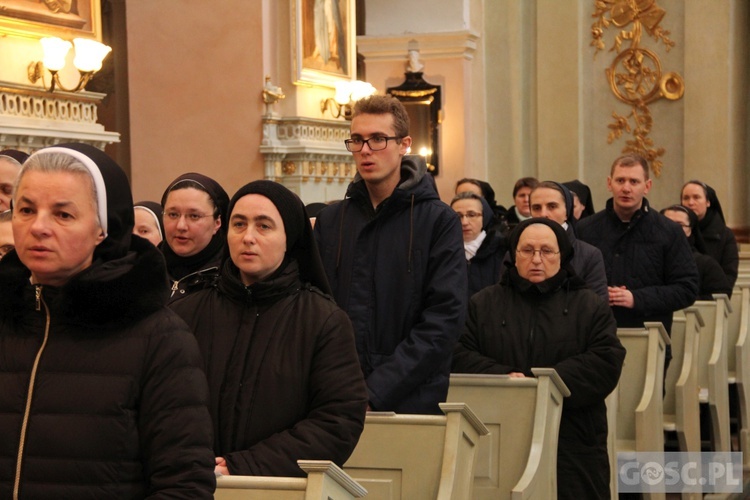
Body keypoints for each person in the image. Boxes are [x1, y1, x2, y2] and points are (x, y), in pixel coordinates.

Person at [0, 143, 215, 498]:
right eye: (26, 209)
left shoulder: (158, 338)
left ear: (103, 229)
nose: (38, 226)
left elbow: (184, 485)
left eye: (63, 215)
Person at [170, 180, 367, 477]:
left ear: (289, 237)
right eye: (239, 224)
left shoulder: (323, 321)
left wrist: (244, 465)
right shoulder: (184, 313)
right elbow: (160, 405)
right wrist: (191, 461)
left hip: (276, 487)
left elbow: (336, 421)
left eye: (264, 226)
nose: (248, 237)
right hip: (190, 483)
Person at [314, 94, 467, 415]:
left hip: (411, 398)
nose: (365, 150)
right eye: (357, 140)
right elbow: (316, 308)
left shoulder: (438, 220)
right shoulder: (332, 220)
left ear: (404, 144)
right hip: (336, 398)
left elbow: (443, 319)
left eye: (378, 139)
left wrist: (375, 392)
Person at [452, 218, 625, 500]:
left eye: (546, 251)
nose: (536, 259)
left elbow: (606, 360)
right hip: (499, 432)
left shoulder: (588, 304)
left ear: (562, 256)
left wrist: (545, 384)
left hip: (573, 433)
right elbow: (459, 354)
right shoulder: (484, 303)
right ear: (513, 255)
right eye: (527, 250)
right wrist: (505, 378)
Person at [576, 154, 698, 342]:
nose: (626, 188)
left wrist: (636, 298)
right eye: (620, 180)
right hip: (594, 335)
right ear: (609, 184)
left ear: (647, 186)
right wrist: (596, 294)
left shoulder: (669, 231)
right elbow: (571, 282)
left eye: (634, 181)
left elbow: (686, 288)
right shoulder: (585, 229)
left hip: (649, 334)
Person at [529, 181, 608, 302]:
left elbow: (598, 308)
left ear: (567, 211)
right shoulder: (516, 253)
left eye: (552, 206)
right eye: (536, 208)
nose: (543, 214)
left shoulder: (589, 255)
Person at [161, 172, 229, 302]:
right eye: (173, 214)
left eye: (194, 216)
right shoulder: (144, 270)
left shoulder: (231, 280)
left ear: (217, 223)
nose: (181, 226)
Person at [661, 205, 732, 300]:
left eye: (680, 225)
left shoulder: (706, 264)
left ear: (690, 230)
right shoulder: (647, 260)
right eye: (667, 223)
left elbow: (721, 296)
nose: (672, 229)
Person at [681, 180, 739, 288]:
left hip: (712, 298)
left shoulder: (725, 235)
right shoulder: (674, 231)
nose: (690, 203)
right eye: (686, 198)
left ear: (708, 202)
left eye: (696, 197)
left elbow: (729, 276)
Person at [450, 191, 507, 299]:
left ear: (484, 217)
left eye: (471, 215)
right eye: (458, 216)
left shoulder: (501, 248)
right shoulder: (443, 251)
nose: (464, 222)